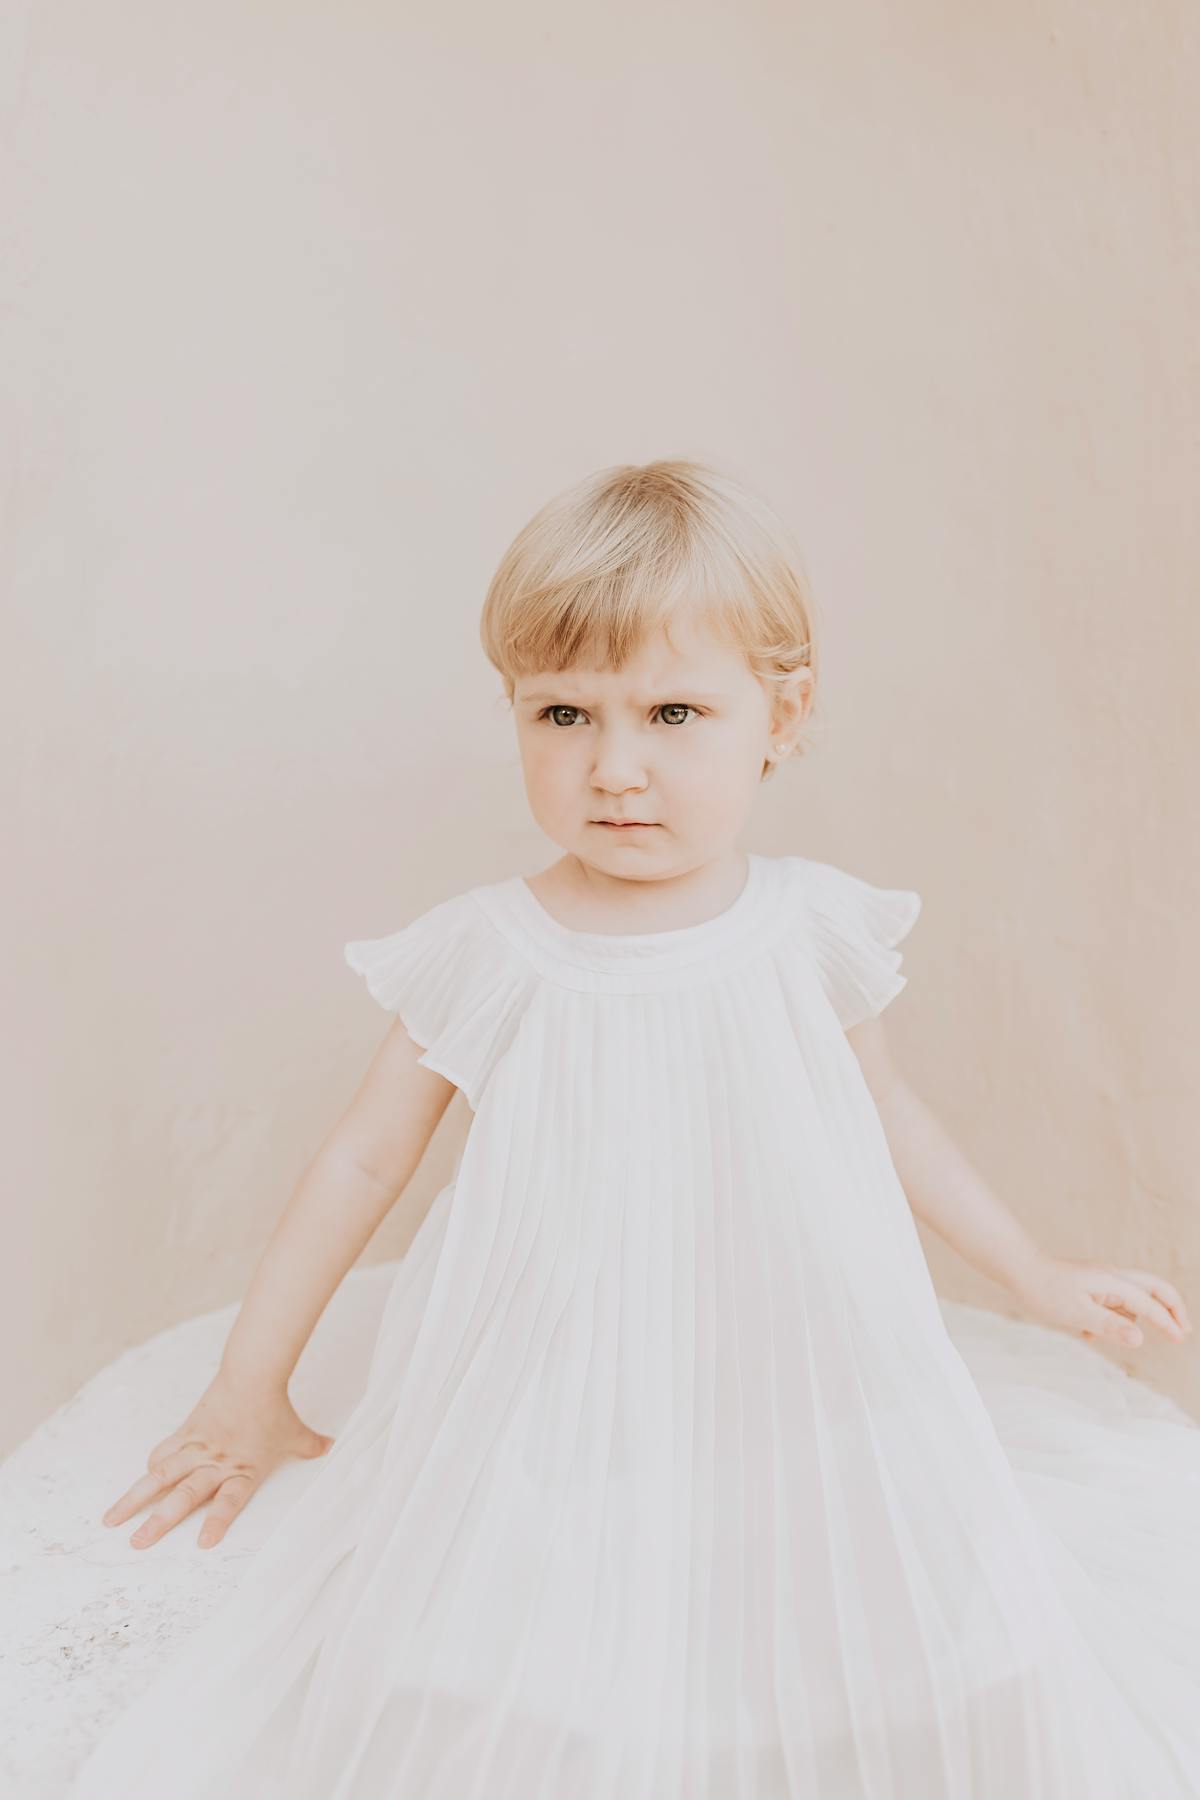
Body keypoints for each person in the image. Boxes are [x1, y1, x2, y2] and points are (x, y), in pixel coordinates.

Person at [69, 460, 1200, 1798]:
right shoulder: (493, 948)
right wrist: (249, 1387)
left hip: (788, 1354)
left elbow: (887, 1113)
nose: (616, 769)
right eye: (564, 714)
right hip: (557, 1368)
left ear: (780, 716)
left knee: (876, 1639)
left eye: (672, 712)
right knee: (518, 1670)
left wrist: (1038, 1273)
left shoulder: (804, 928)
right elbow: (363, 1160)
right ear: (515, 714)